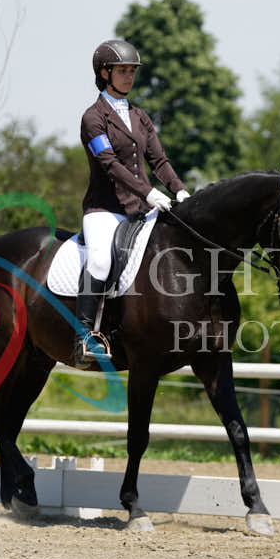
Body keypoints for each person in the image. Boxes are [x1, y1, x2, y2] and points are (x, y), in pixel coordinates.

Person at [74, 39, 191, 367]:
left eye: (132, 71)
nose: (129, 77)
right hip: (104, 210)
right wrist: (149, 192)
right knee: (100, 261)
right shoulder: (93, 118)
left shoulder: (140, 116)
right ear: (104, 73)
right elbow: (110, 164)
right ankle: (84, 336)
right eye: (122, 71)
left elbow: (159, 161)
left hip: (140, 210)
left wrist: (180, 191)